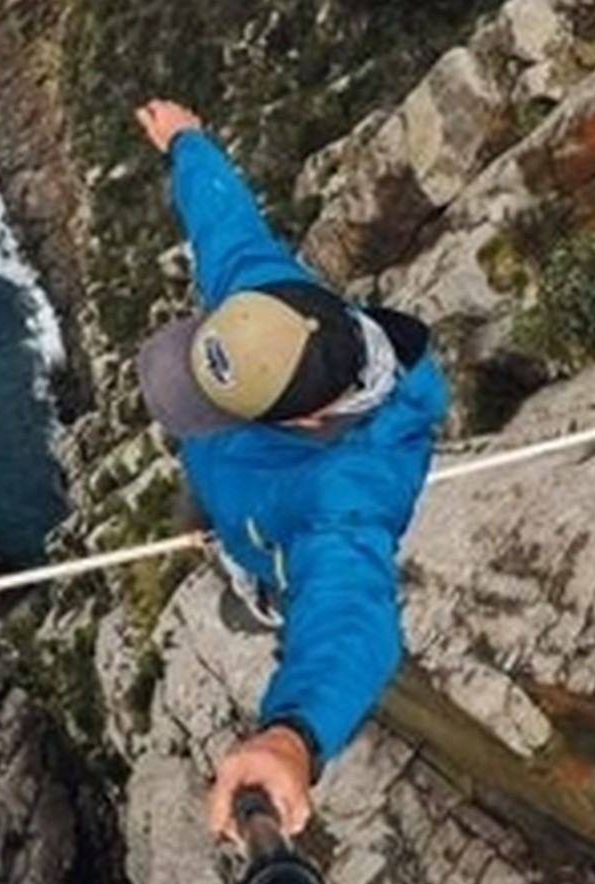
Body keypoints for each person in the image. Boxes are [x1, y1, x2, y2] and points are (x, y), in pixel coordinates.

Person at [131, 98, 447, 841]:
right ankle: (217, 537)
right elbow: (225, 223)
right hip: (229, 487)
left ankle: (259, 590)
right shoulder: (269, 307)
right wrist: (187, 142)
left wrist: (292, 736)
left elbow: (350, 614)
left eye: (218, 403)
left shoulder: (345, 495)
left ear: (308, 419)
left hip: (266, 525)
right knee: (204, 512)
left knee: (267, 589)